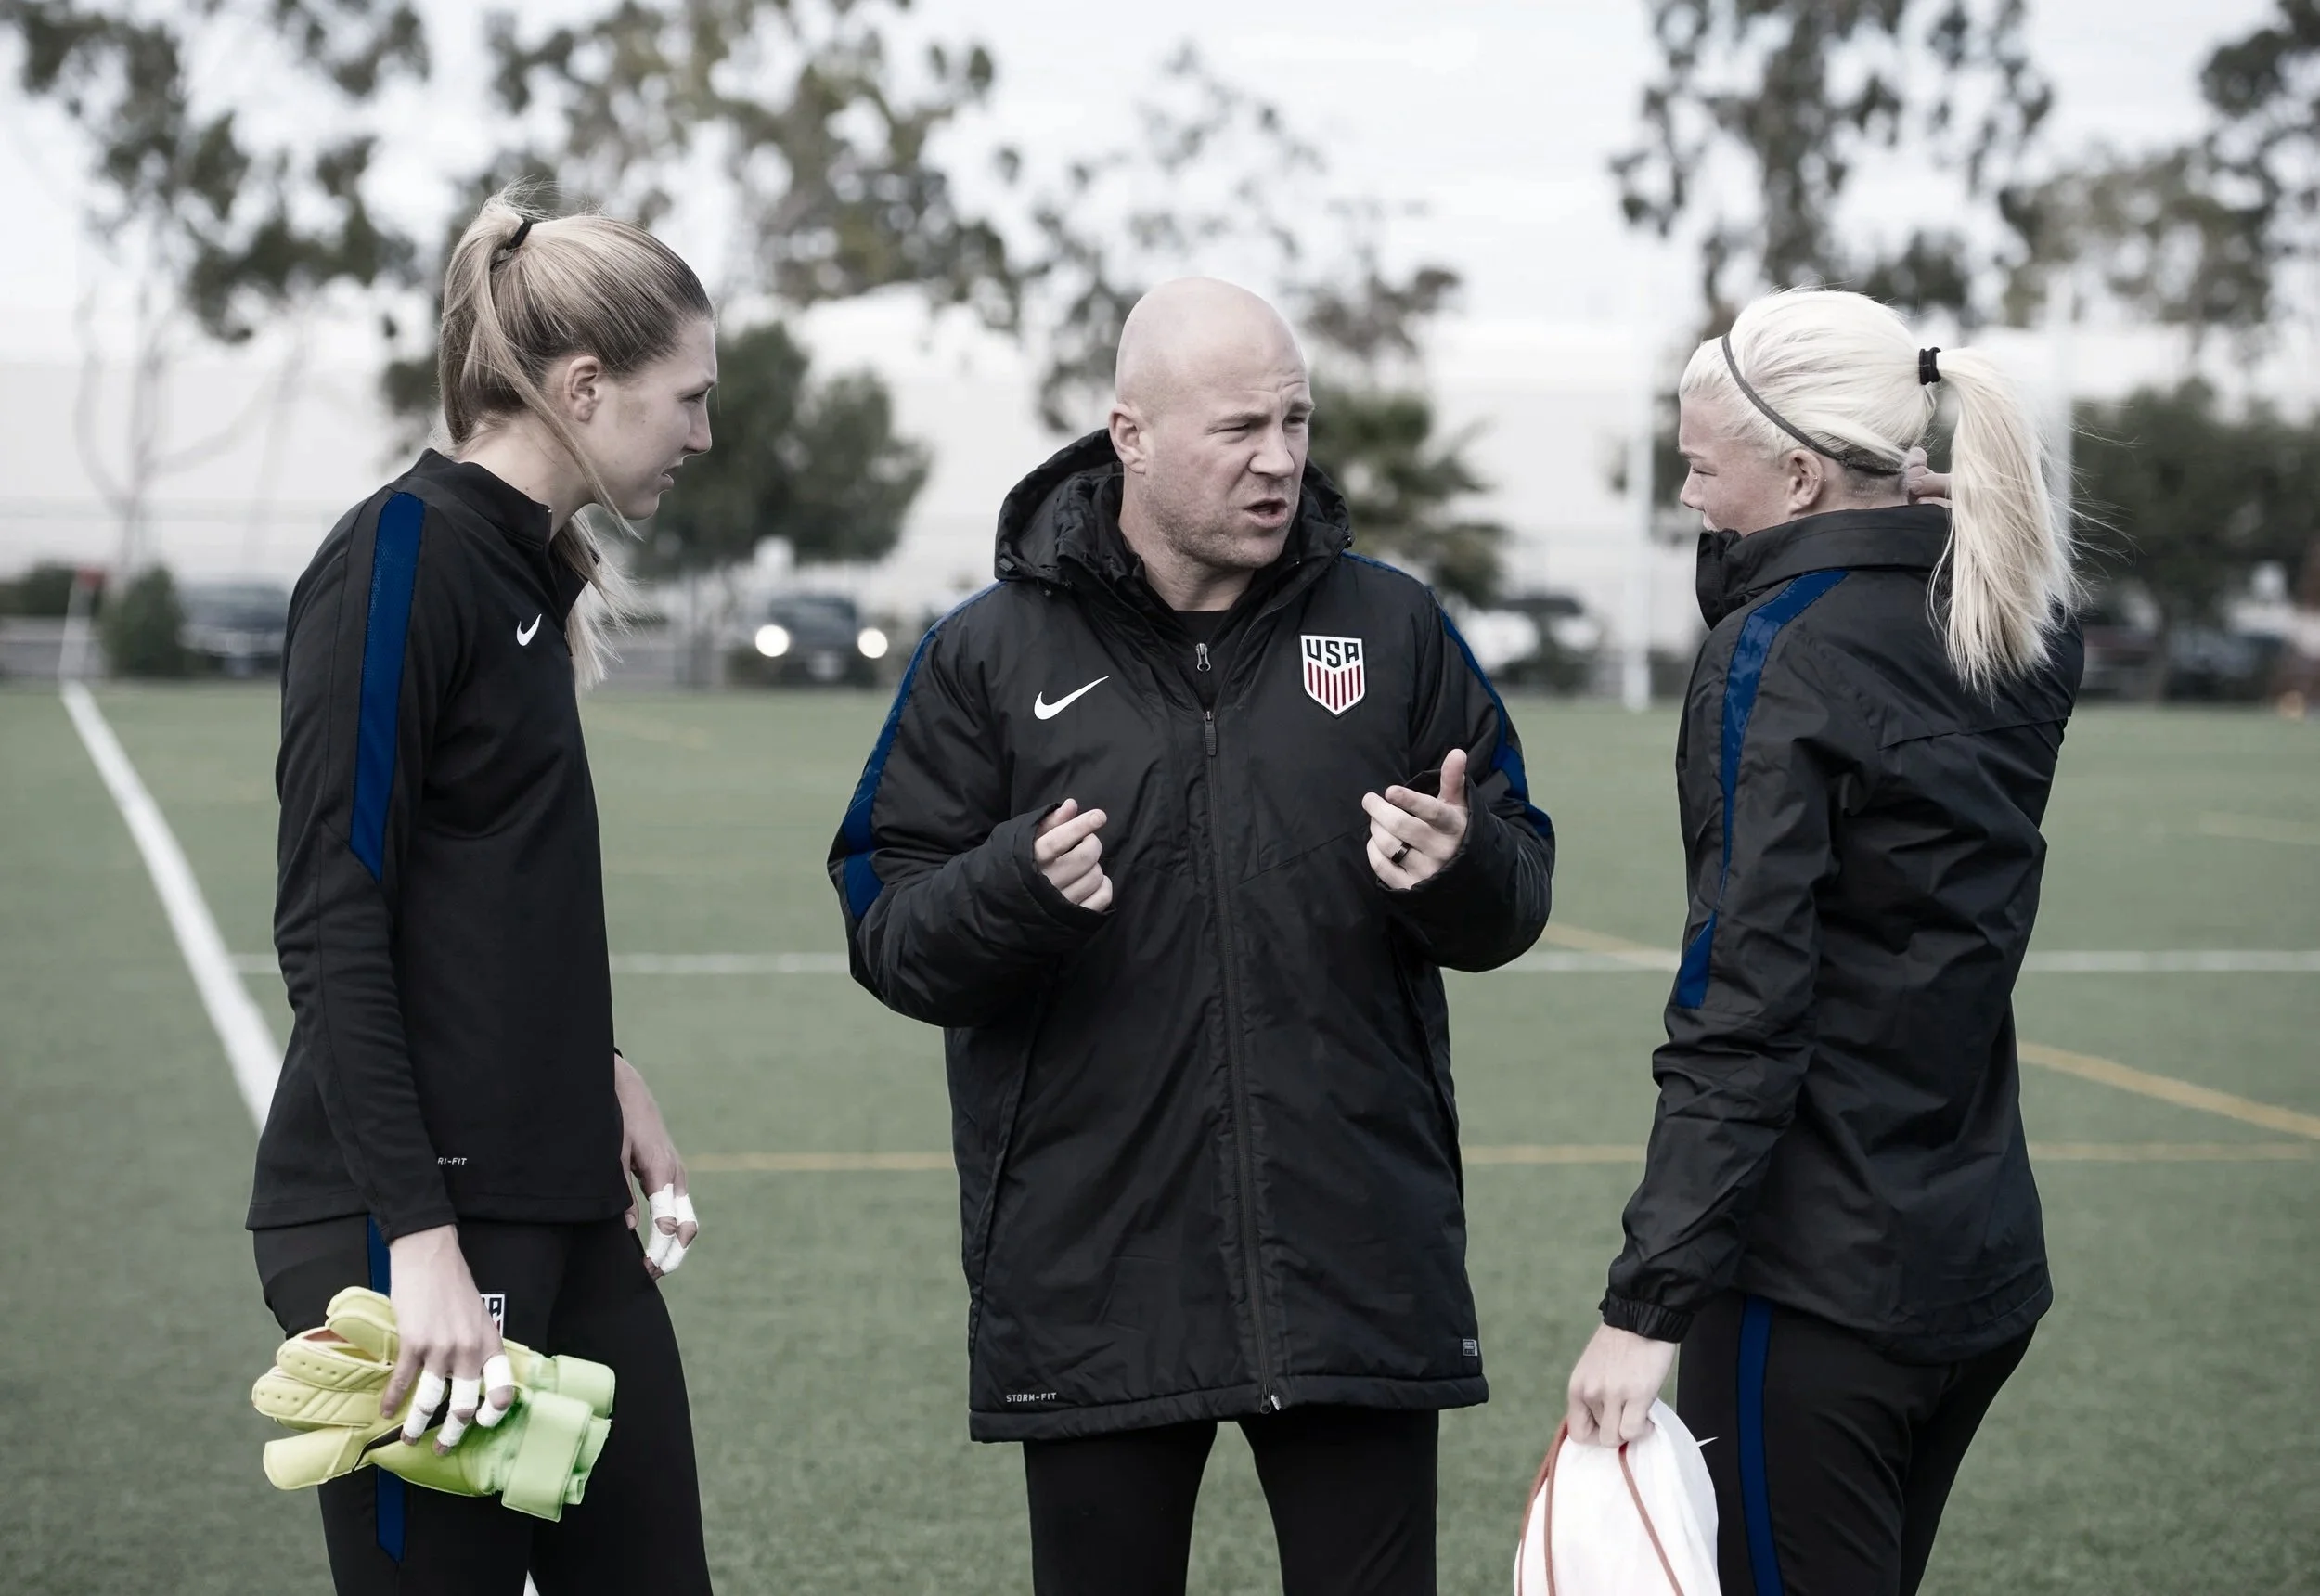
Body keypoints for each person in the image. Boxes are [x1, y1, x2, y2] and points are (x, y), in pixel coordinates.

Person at [827, 277, 1554, 1596]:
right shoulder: (987, 656)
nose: (1279, 459)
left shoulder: (1392, 630)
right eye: (1238, 429)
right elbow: (886, 923)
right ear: (1131, 435)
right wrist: (1016, 890)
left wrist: (1464, 868)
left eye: (1295, 421)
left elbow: (1517, 884)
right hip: (1099, 1269)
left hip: (1353, 1261)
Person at [1562, 288, 2083, 1596]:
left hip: (1817, 1293)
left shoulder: (1777, 656)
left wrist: (1643, 1309)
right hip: (1973, 1269)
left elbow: (1744, 1004)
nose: (1684, 495)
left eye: (1698, 465)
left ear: (1798, 472)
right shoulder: (2015, 617)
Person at [247, 189, 717, 1595]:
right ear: (583, 388)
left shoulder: (531, 569)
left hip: (563, 1207)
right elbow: (334, 918)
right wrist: (419, 1254)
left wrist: (603, 1066)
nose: (702, 434)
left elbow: (495, 903)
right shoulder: (398, 556)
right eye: (686, 398)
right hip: (422, 1237)